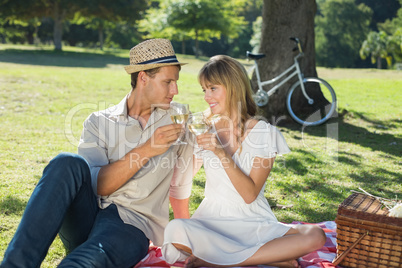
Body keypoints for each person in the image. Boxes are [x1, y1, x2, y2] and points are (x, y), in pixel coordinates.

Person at [1, 39, 194, 268]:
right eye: (168, 82)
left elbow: (186, 175)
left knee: (83, 263)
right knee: (67, 162)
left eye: (176, 82)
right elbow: (99, 186)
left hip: (133, 225)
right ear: (143, 77)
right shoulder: (98, 122)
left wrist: (186, 236)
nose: (176, 90)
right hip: (87, 218)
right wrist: (148, 149)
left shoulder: (178, 116)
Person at [161, 55, 326, 268]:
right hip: (213, 222)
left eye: (213, 89)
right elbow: (183, 180)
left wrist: (221, 153)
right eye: (204, 90)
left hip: (253, 222)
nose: (206, 97)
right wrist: (178, 145)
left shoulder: (264, 133)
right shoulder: (203, 127)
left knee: (316, 235)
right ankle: (274, 259)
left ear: (233, 88)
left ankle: (218, 262)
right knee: (174, 230)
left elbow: (249, 195)